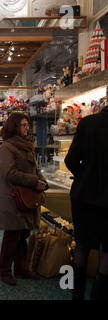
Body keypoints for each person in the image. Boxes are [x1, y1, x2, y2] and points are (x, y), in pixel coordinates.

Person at [0, 112, 47, 285]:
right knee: (12, 234)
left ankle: (21, 268)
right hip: (13, 197)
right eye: (23, 125)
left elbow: (34, 168)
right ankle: (4, 270)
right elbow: (10, 174)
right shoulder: (7, 147)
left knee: (22, 233)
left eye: (27, 125)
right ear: (14, 127)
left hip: (27, 197)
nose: (27, 128)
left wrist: (42, 181)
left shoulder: (27, 145)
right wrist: (35, 181)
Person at [64, 105, 108, 300]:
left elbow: (71, 159)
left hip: (83, 194)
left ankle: (77, 295)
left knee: (81, 245)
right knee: (106, 251)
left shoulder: (88, 122)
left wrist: (84, 176)